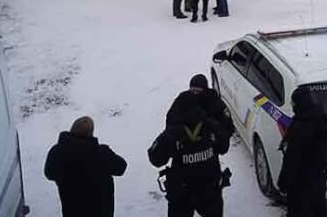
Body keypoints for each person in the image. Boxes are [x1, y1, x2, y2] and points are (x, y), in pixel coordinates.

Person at [148, 77, 233, 217]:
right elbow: (224, 146)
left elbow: (155, 158)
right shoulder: (211, 125)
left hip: (183, 189)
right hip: (207, 187)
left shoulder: (174, 130)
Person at [44, 116, 127, 217]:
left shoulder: (57, 152)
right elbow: (121, 167)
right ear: (90, 133)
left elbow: (49, 173)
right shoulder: (100, 153)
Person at [278, 87, 327, 217]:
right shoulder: (323, 119)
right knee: (320, 209)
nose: (293, 106)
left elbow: (291, 160)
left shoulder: (299, 127)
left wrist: (283, 183)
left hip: (301, 184)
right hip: (320, 178)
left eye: (293, 103)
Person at [166, 74, 233, 134]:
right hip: (184, 136)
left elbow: (227, 124)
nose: (195, 93)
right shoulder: (183, 98)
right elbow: (171, 116)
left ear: (205, 90)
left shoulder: (213, 100)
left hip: (208, 139)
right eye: (192, 91)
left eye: (198, 91)